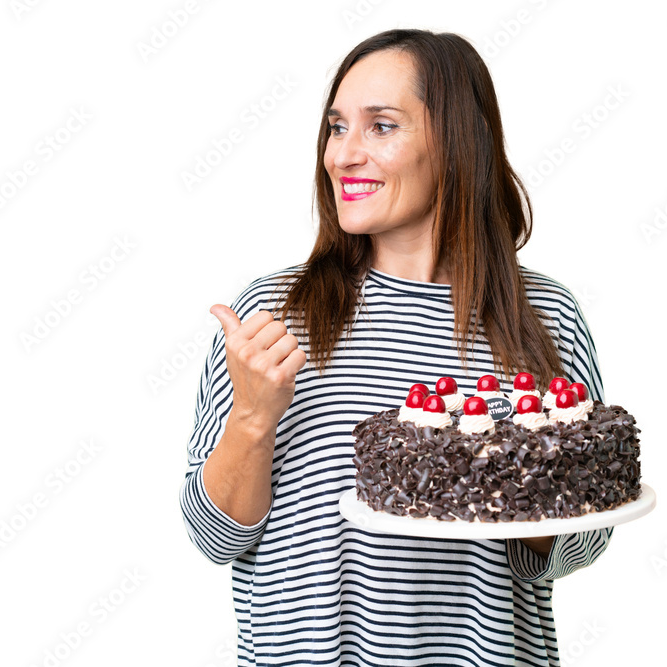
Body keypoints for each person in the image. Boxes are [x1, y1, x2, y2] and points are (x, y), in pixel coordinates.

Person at [180, 28, 611, 666]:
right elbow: (215, 537)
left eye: (381, 126)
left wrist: (528, 470)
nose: (343, 155)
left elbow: (576, 548)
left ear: (457, 143)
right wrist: (252, 417)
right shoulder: (273, 314)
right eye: (336, 127)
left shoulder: (542, 313)